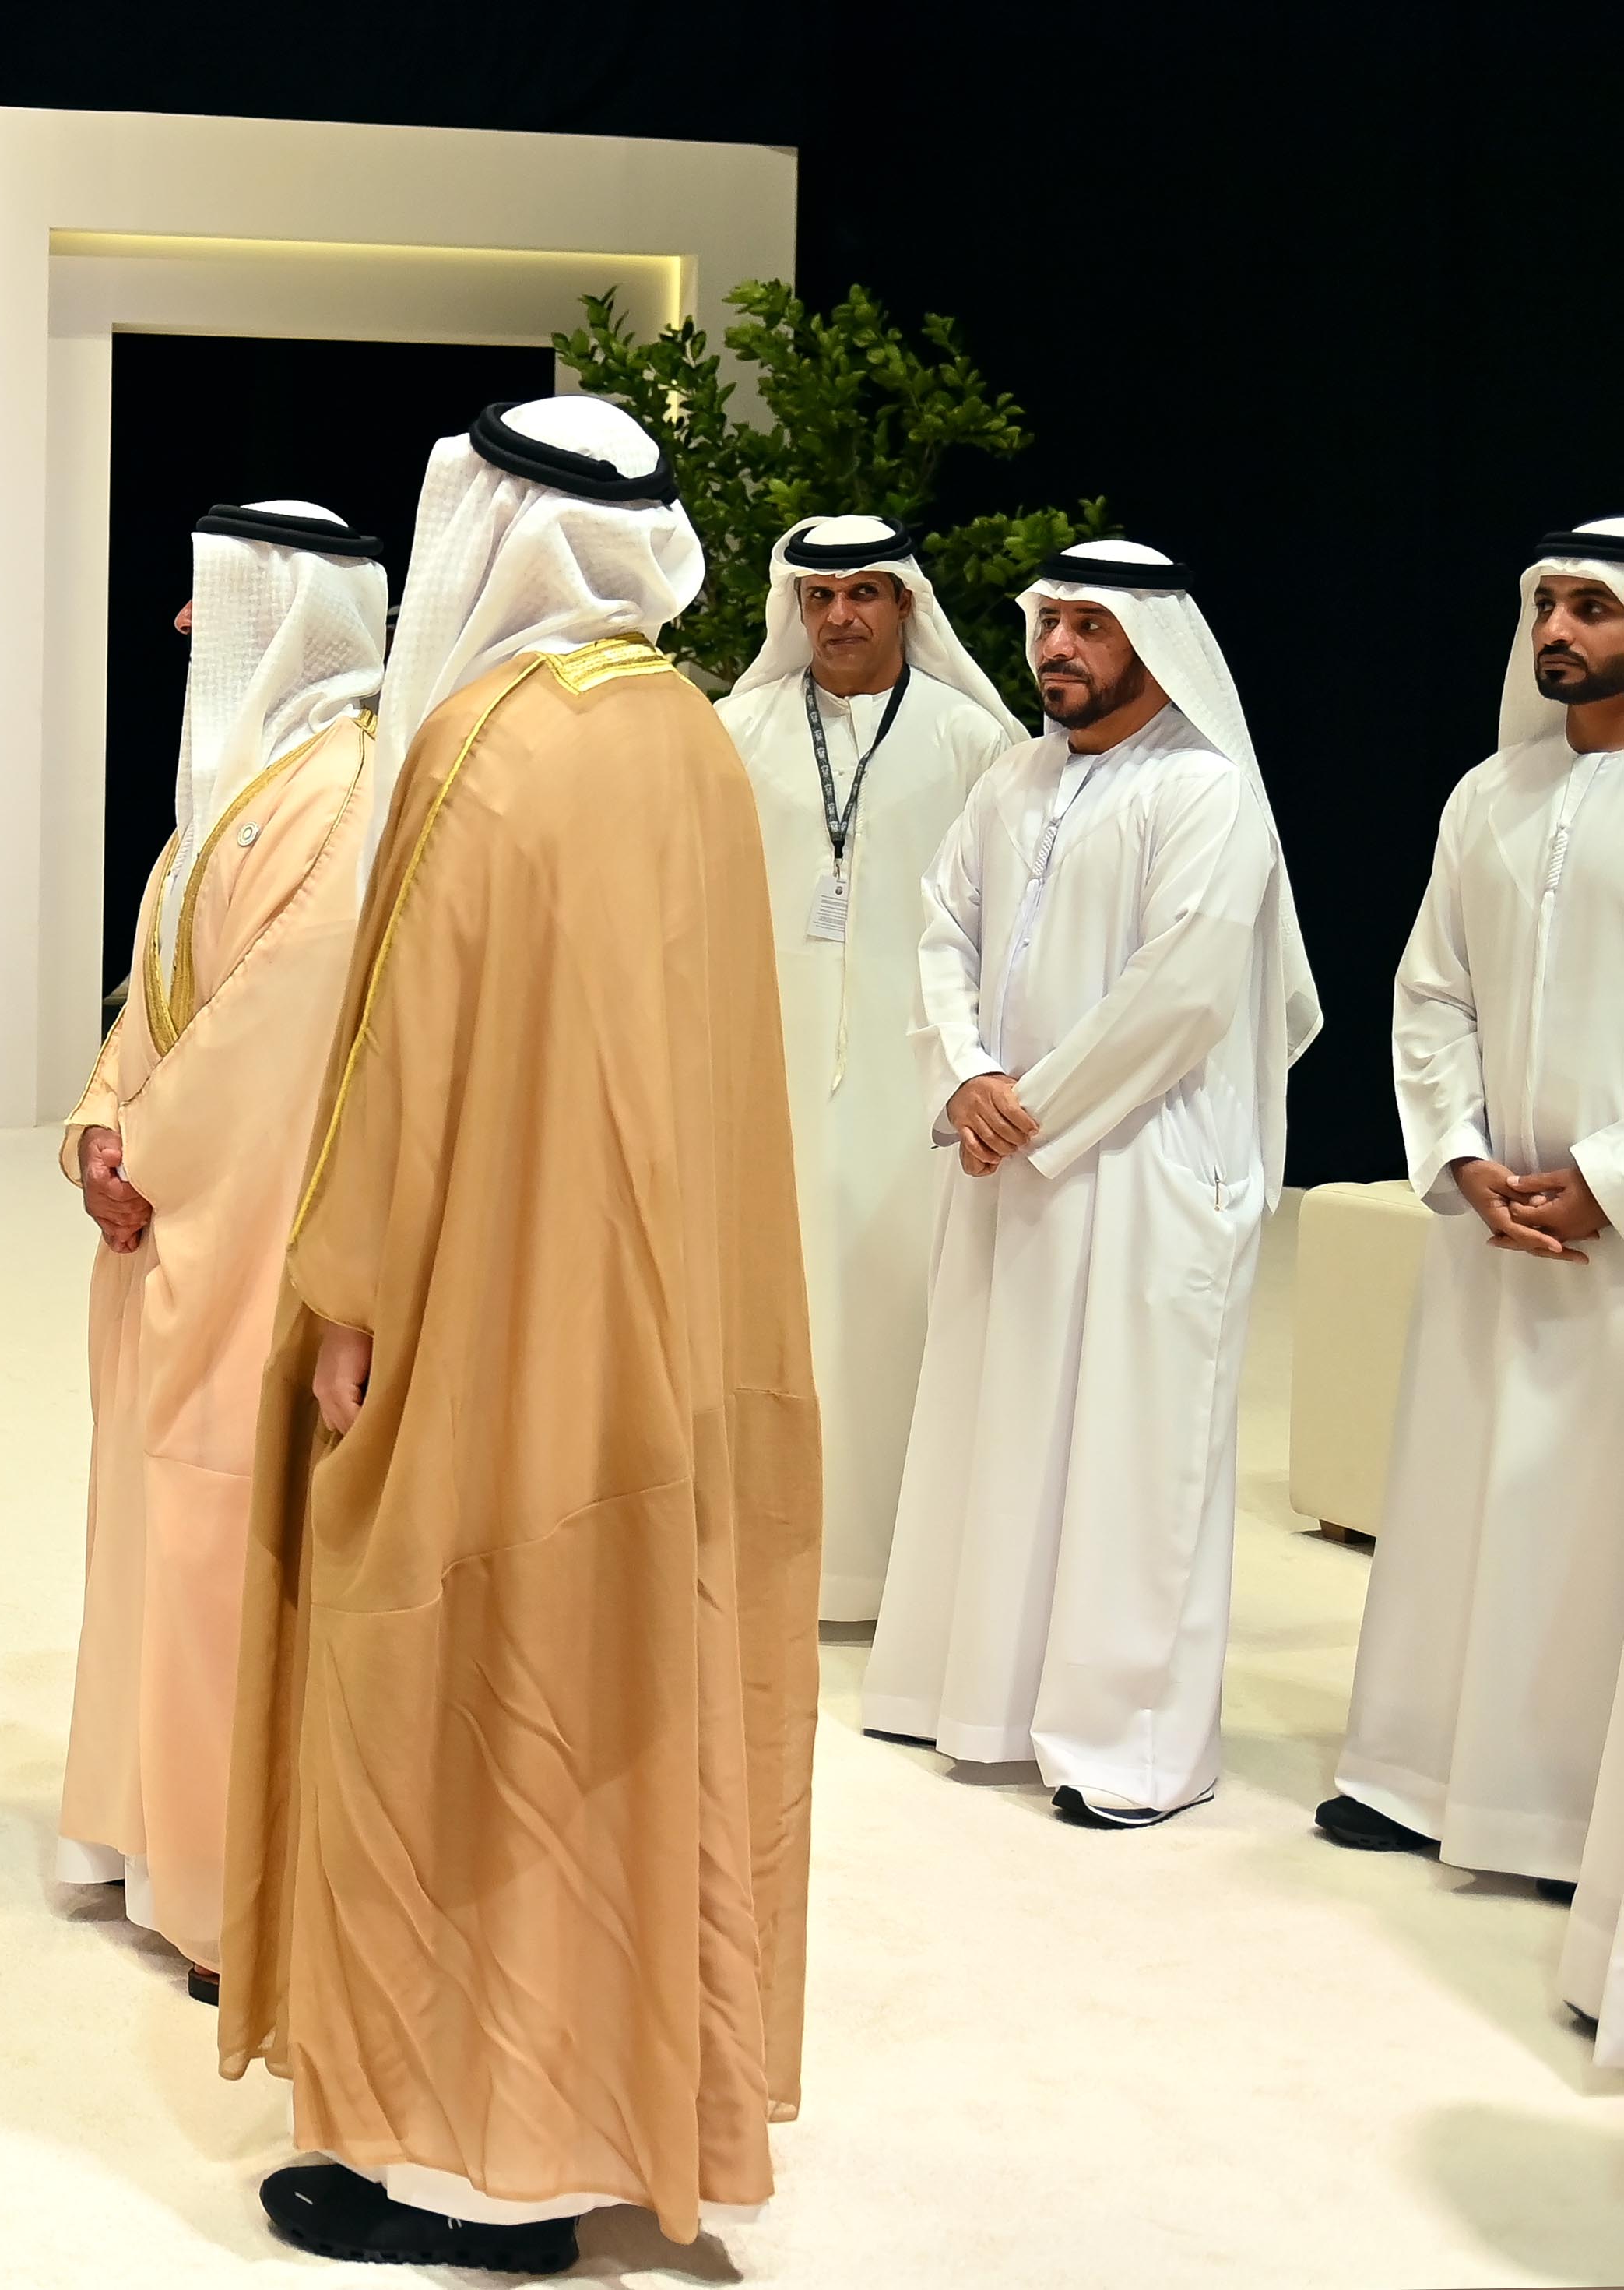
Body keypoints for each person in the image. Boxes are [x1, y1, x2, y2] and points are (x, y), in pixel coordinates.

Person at [222, 399, 819, 2271]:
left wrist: (345, 1297)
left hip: (487, 1322)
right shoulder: (691, 737)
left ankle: (459, 2163)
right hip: (651, 1337)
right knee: (619, 1697)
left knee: (447, 1690)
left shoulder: (483, 741)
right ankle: (602, 2120)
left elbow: (402, 1063)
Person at [862, 542, 1323, 1828]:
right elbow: (939, 931)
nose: (1056, 646)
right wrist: (965, 1073)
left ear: (1151, 645)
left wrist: (1027, 1109)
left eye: (1087, 626)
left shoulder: (1204, 792)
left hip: (1144, 1168)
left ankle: (1128, 1750)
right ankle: (975, 1699)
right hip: (1010, 1160)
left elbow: (1179, 991)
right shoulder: (1012, 779)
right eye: (1047, 621)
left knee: (1131, 1456)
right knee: (998, 1427)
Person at [58, 501, 390, 1997]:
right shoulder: (238, 783)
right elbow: (152, 1001)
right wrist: (98, 1119)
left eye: (216, 597)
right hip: (174, 1224)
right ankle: (145, 1836)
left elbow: (278, 1034)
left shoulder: (348, 788)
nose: (186, 625)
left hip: (254, 1236)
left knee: (223, 1539)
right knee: (154, 1528)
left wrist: (151, 1148)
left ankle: (225, 1888)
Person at [1323, 522, 1624, 1908]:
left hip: (1607, 1238)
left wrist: (1607, 1175)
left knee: (1579, 1523)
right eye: (1545, 604)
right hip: (1490, 1220)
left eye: (1590, 607)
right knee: (1456, 1493)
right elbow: (1430, 989)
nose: (1554, 629)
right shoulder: (1487, 794)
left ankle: (1560, 1820)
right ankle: (1416, 1774)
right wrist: (1458, 1153)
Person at [715, 517, 1027, 1622]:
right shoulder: (736, 731)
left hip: (918, 1086)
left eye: (862, 592)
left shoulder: (972, 741)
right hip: (763, 1076)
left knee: (901, 1310)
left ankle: (896, 1571)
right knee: (771, 1302)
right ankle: (762, 1561)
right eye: (818, 595)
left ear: (904, 603)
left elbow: (1005, 925)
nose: (839, 614)